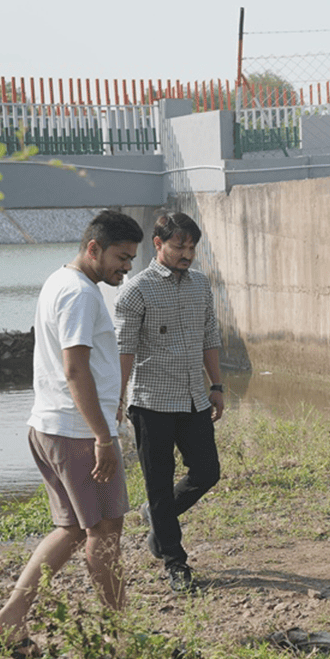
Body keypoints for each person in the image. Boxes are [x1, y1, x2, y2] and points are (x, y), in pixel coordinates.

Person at [0, 210, 143, 659]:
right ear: (93, 248)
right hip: (75, 433)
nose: (126, 267)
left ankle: (10, 617)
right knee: (105, 531)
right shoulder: (79, 293)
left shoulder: (61, 281)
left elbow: (80, 367)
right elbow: (75, 369)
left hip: (51, 425)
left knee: (73, 527)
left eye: (131, 259)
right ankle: (122, 637)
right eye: (120, 257)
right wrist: (104, 437)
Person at [115, 212, 224, 593]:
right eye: (179, 246)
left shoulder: (199, 285)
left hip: (194, 397)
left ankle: (155, 518)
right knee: (159, 485)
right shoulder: (136, 290)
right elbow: (124, 349)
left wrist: (218, 386)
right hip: (151, 403)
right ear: (158, 244)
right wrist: (118, 397)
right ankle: (175, 563)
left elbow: (210, 335)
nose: (187, 254)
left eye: (192, 247)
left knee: (207, 472)